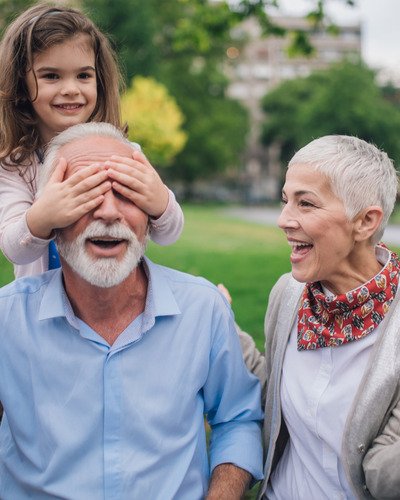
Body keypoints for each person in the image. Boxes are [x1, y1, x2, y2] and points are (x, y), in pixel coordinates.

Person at [0, 121, 263, 499]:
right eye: (85, 194)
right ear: (51, 222)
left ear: (150, 217)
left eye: (126, 193)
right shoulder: (8, 319)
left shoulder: (202, 310)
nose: (109, 212)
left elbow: (238, 418)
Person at [237, 135, 400, 499]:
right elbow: (274, 399)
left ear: (365, 222)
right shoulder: (289, 292)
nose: (283, 220)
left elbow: (384, 465)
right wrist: (223, 325)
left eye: (305, 203)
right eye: (285, 201)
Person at [0, 3, 183, 279]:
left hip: (115, 306)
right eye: (51, 76)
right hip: (43, 313)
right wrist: (44, 216)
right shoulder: (14, 167)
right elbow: (16, 250)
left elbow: (169, 234)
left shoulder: (123, 153)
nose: (71, 89)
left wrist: (159, 202)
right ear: (21, 85)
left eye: (84, 75)